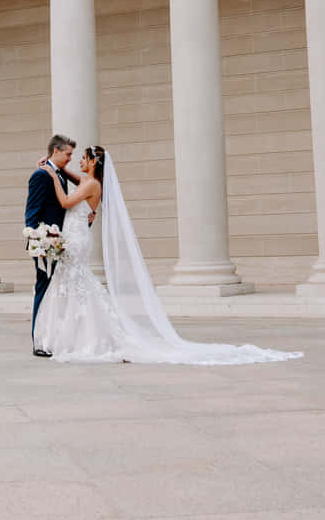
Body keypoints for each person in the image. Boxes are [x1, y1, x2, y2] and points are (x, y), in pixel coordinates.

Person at [33, 145, 300, 366]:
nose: (78, 160)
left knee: (75, 281)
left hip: (78, 239)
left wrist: (50, 173)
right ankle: (72, 336)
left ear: (92, 162)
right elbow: (73, 181)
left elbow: (67, 202)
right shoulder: (90, 181)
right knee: (75, 283)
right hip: (76, 236)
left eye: (82, 157)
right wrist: (58, 169)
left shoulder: (91, 183)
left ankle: (80, 338)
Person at [25, 133, 75, 357]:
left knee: (53, 291)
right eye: (68, 154)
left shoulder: (58, 174)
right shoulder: (40, 175)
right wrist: (36, 241)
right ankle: (38, 340)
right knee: (43, 288)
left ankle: (51, 336)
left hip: (58, 241)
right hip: (45, 242)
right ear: (56, 151)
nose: (70, 158)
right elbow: (32, 211)